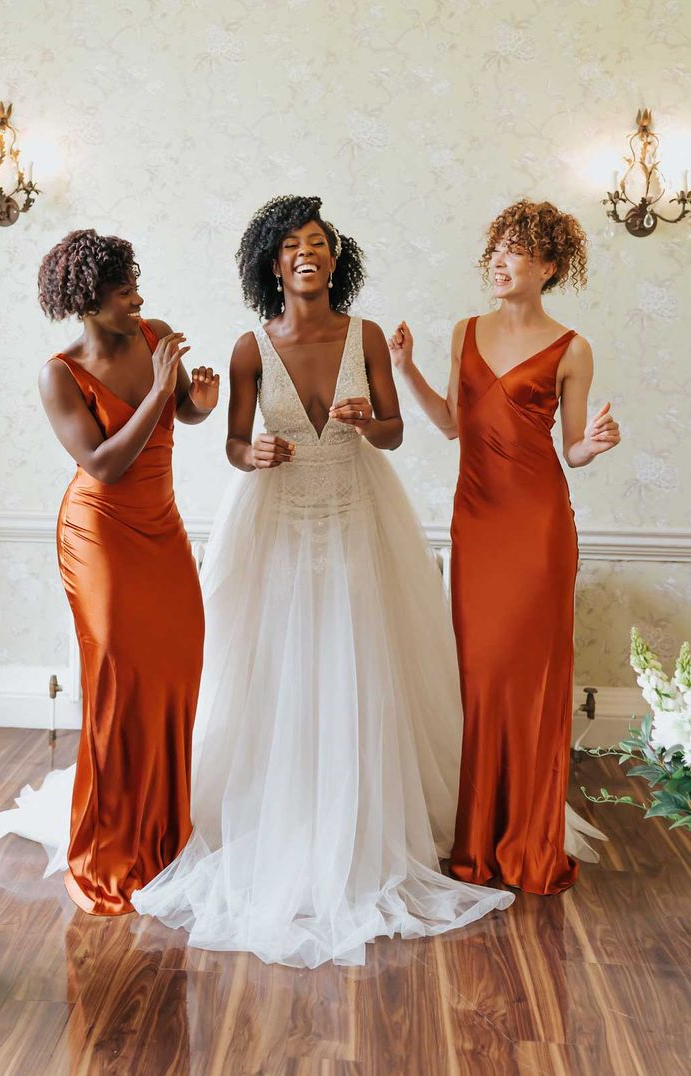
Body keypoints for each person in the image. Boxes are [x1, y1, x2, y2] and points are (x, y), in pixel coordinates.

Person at [131, 195, 513, 965]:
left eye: (319, 243)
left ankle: (363, 828)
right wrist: (253, 454)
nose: (306, 252)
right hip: (272, 524)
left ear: (335, 261)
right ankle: (276, 825)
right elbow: (236, 442)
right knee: (271, 672)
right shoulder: (248, 349)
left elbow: (396, 432)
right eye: (292, 244)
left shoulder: (365, 336)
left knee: (358, 664)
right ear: (273, 263)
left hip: (356, 517)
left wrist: (366, 420)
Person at [0, 229, 219, 914]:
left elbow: (177, 420)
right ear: (87, 300)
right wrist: (162, 388)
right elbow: (105, 464)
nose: (138, 298)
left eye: (137, 284)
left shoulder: (155, 334)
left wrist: (196, 400)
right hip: (100, 536)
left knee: (174, 671)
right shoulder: (60, 373)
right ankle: (109, 844)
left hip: (162, 528)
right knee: (118, 682)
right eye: (123, 291)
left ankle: (164, 832)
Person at [389, 200, 619, 895]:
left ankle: (527, 841)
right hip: (477, 524)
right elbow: (454, 425)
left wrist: (594, 443)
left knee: (531, 682)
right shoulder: (464, 331)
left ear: (548, 266)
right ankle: (480, 840)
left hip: (539, 527)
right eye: (497, 246)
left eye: (517, 250)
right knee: (480, 678)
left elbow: (572, 450)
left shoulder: (572, 347)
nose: (500, 259)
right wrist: (407, 369)